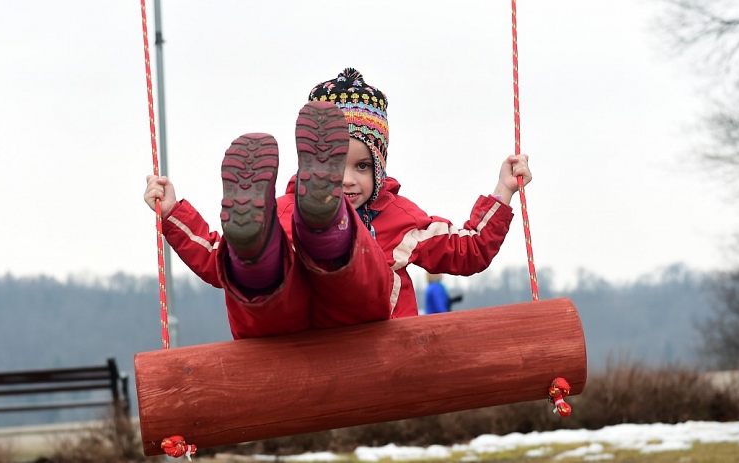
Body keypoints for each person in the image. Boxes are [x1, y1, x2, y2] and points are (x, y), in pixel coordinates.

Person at [144, 68, 532, 340]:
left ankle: (324, 229)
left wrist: (503, 190)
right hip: (286, 336)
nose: (347, 179)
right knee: (257, 277)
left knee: (351, 276)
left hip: (362, 332)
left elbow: (469, 249)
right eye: (333, 167)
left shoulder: (400, 221)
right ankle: (259, 252)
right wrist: (174, 212)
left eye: (362, 166)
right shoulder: (279, 210)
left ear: (379, 168)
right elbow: (216, 259)